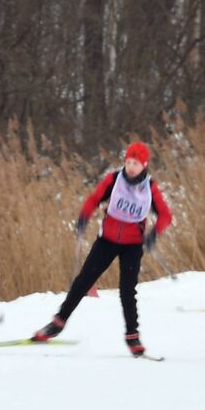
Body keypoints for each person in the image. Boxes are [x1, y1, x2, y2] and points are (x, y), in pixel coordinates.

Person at [31, 141, 172, 355]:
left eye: (136, 163)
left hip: (133, 245)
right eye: (129, 162)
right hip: (107, 240)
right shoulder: (114, 180)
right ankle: (58, 322)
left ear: (144, 165)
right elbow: (94, 199)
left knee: (127, 291)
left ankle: (132, 336)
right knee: (83, 281)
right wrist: (83, 217)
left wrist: (154, 233)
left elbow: (166, 215)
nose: (131, 167)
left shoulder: (150, 188)